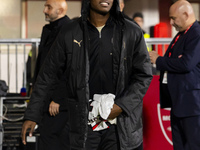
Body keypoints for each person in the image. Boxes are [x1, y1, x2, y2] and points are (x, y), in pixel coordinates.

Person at [21, 0, 152, 150]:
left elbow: (143, 75)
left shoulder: (131, 31)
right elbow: (47, 75)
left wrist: (121, 106)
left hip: (120, 125)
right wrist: (32, 114)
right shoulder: (70, 32)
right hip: (84, 127)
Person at [149, 0, 200, 150]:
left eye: (174, 18)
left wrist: (159, 60)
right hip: (178, 103)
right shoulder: (182, 35)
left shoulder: (196, 34)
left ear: (186, 14)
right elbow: (177, 61)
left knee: (193, 145)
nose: (171, 22)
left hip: (191, 105)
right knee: (179, 146)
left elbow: (186, 64)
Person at [26, 0, 71, 150]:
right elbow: (43, 63)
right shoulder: (48, 29)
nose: (44, 10)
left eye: (49, 7)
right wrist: (35, 87)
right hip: (45, 97)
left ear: (61, 10)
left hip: (58, 103)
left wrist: (58, 98)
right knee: (45, 138)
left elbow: (69, 67)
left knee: (56, 141)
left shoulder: (70, 30)